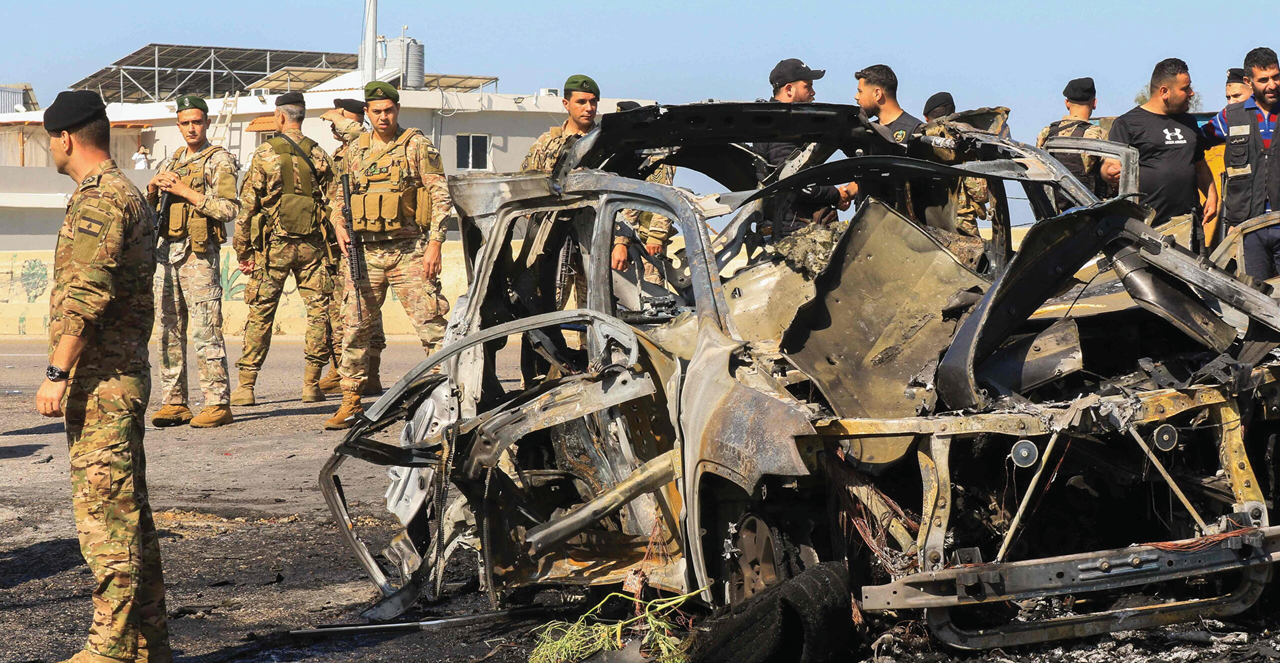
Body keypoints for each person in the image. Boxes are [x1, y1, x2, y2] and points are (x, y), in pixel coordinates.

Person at [36, 90, 171, 663]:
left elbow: (87, 295)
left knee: (106, 522)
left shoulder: (99, 202)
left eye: (50, 139)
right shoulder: (126, 193)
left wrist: (56, 372)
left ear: (65, 138)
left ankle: (110, 649)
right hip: (121, 377)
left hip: (102, 383)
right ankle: (149, 643)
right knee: (130, 516)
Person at [324, 81, 453, 429]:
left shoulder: (415, 145)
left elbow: (440, 195)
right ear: (367, 112)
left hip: (408, 250)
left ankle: (446, 396)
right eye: (377, 111)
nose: (384, 116)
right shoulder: (355, 150)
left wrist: (436, 244)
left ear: (397, 109)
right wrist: (338, 223)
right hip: (364, 253)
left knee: (431, 326)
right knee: (353, 328)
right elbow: (337, 196)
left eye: (389, 110)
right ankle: (350, 400)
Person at [231, 91, 337, 406]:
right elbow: (333, 203)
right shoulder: (319, 154)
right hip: (312, 248)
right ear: (301, 117)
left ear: (279, 116)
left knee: (261, 314)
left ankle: (246, 388)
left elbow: (247, 208)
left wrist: (243, 250)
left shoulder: (264, 154)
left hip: (272, 247)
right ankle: (310, 385)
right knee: (318, 312)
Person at [146, 95, 238, 428]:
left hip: (199, 256)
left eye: (196, 122)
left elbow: (228, 209)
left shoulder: (220, 161)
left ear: (207, 123)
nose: (191, 128)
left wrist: (186, 192)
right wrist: (154, 188)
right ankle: (174, 401)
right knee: (168, 331)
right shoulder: (170, 162)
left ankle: (217, 403)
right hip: (166, 256)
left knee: (205, 330)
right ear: (178, 125)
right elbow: (150, 209)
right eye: (185, 123)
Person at [318, 98, 387, 395]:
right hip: (340, 236)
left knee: (361, 307)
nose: (334, 127)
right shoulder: (343, 152)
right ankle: (344, 369)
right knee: (344, 307)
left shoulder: (365, 144)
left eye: (338, 121)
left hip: (363, 238)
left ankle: (368, 374)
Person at [1103, 58, 1218, 235]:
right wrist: (1109, 172)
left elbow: (1199, 164)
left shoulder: (1189, 122)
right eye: (1185, 88)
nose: (1191, 93)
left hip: (1189, 225)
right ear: (1164, 91)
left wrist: (1212, 195)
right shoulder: (1127, 124)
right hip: (1147, 228)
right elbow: (1109, 165)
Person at [752, 58, 853, 240]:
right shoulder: (779, 129)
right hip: (790, 234)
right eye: (808, 86)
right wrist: (836, 194)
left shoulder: (781, 124)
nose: (813, 93)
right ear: (789, 89)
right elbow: (794, 182)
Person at [1206, 48, 1280, 277]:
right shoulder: (1231, 116)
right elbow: (1192, 144)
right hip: (1249, 229)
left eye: (1276, 77)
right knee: (1256, 300)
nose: (1272, 85)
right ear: (1248, 81)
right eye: (1263, 80)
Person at [1036, 77, 1110, 207]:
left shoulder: (1047, 133)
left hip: (1053, 210)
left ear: (1067, 103)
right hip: (1091, 211)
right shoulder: (1098, 134)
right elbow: (1109, 173)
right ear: (1094, 103)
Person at [856, 64, 923, 144]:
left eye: (860, 91)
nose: (856, 96)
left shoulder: (915, 131)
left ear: (877, 94)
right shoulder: (867, 132)